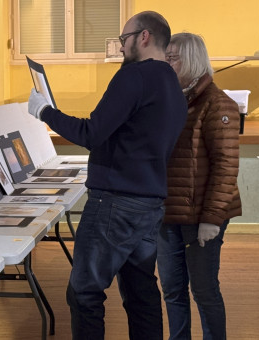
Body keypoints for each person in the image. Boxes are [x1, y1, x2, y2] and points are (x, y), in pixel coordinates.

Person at [27, 11, 188, 340]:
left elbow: (91, 133)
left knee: (85, 292)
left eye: (124, 40)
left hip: (115, 201)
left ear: (144, 37)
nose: (121, 48)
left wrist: (44, 111)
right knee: (141, 292)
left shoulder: (135, 77)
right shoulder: (171, 81)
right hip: (149, 202)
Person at [158, 32, 242, 340]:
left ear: (191, 60)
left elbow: (226, 167)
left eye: (172, 58)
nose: (166, 63)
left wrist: (212, 218)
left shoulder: (218, 105)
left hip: (201, 217)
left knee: (204, 291)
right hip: (168, 213)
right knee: (172, 288)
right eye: (165, 57)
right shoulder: (172, 100)